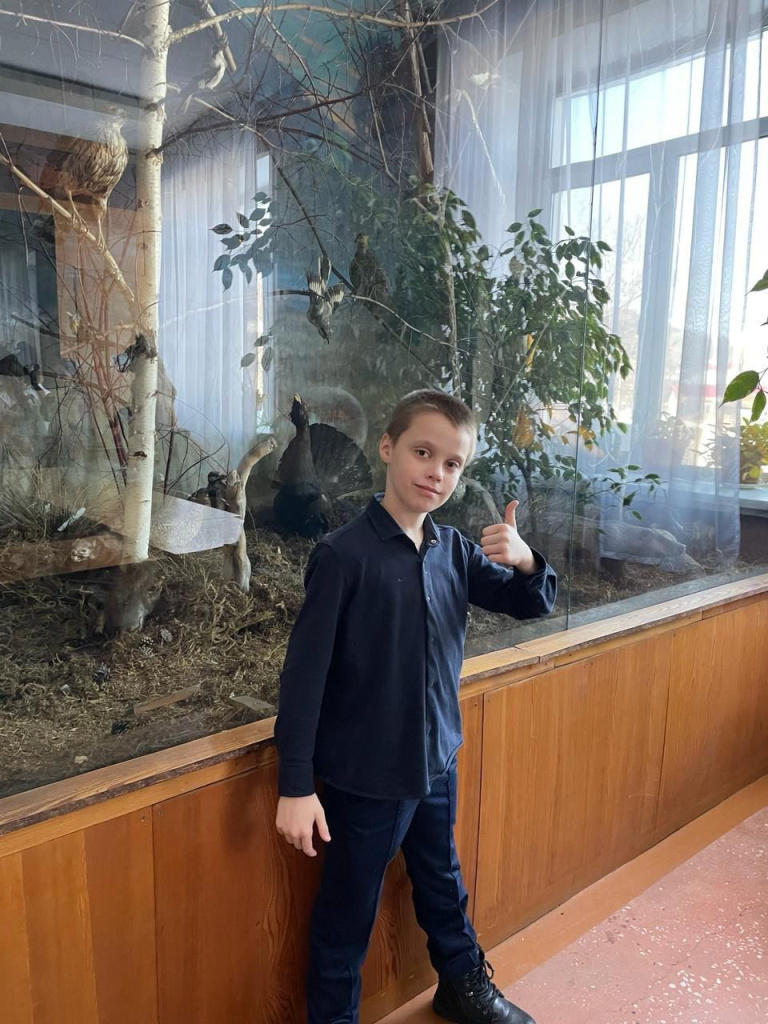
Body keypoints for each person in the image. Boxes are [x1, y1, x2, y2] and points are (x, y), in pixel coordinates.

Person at [274, 389, 557, 1024]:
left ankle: (462, 987)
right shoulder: (343, 556)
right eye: (422, 453)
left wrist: (526, 560)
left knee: (442, 880)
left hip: (436, 761)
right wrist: (295, 784)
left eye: (452, 463)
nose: (436, 472)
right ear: (387, 448)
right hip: (366, 777)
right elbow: (304, 677)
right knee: (347, 916)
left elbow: (530, 602)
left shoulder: (452, 550)